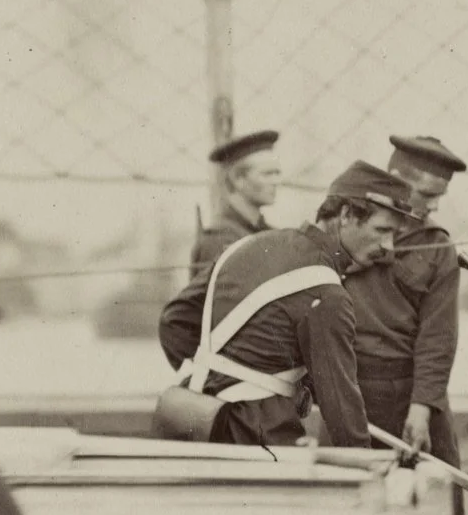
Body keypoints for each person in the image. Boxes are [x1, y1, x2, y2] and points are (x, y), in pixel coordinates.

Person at [157, 162, 412, 449]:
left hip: (196, 416)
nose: (389, 247)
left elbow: (174, 322)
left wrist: (219, 379)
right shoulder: (327, 293)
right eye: (382, 230)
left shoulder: (251, 245)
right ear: (346, 215)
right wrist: (366, 466)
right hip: (258, 434)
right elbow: (341, 406)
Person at [348, 134, 468, 465]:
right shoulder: (347, 228)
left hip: (412, 393)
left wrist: (422, 408)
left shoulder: (437, 247)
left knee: (441, 490)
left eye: (439, 197)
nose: (433, 206)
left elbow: (438, 338)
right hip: (351, 391)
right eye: (428, 195)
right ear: (397, 181)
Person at [187, 130, 284, 295]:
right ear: (238, 179)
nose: (276, 181)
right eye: (267, 174)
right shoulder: (217, 240)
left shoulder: (273, 236)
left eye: (277, 173)